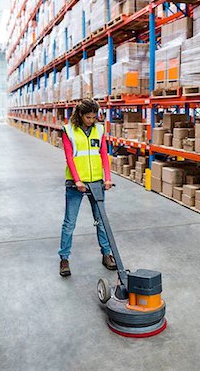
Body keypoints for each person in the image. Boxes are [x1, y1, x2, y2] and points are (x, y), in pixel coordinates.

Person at [58, 98, 116, 277]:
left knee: (101, 220)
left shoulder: (99, 129)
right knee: (70, 222)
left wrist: (107, 178)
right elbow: (70, 157)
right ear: (80, 115)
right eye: (88, 117)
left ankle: (106, 254)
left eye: (94, 116)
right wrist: (77, 181)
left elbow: (104, 155)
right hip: (76, 184)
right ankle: (64, 258)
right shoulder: (69, 130)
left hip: (97, 181)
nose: (92, 120)